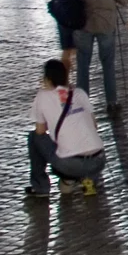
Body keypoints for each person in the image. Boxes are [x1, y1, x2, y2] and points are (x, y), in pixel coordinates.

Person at [23, 58, 106, 198]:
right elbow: (94, 125)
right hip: (98, 160)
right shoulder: (79, 93)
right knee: (69, 180)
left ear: (47, 79)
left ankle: (41, 187)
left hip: (69, 163)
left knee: (34, 137)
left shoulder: (43, 96)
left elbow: (40, 131)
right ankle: (86, 179)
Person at [72, 0, 127, 114]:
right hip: (106, 22)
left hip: (83, 22)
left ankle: (82, 104)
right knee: (108, 64)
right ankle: (112, 101)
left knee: (83, 65)